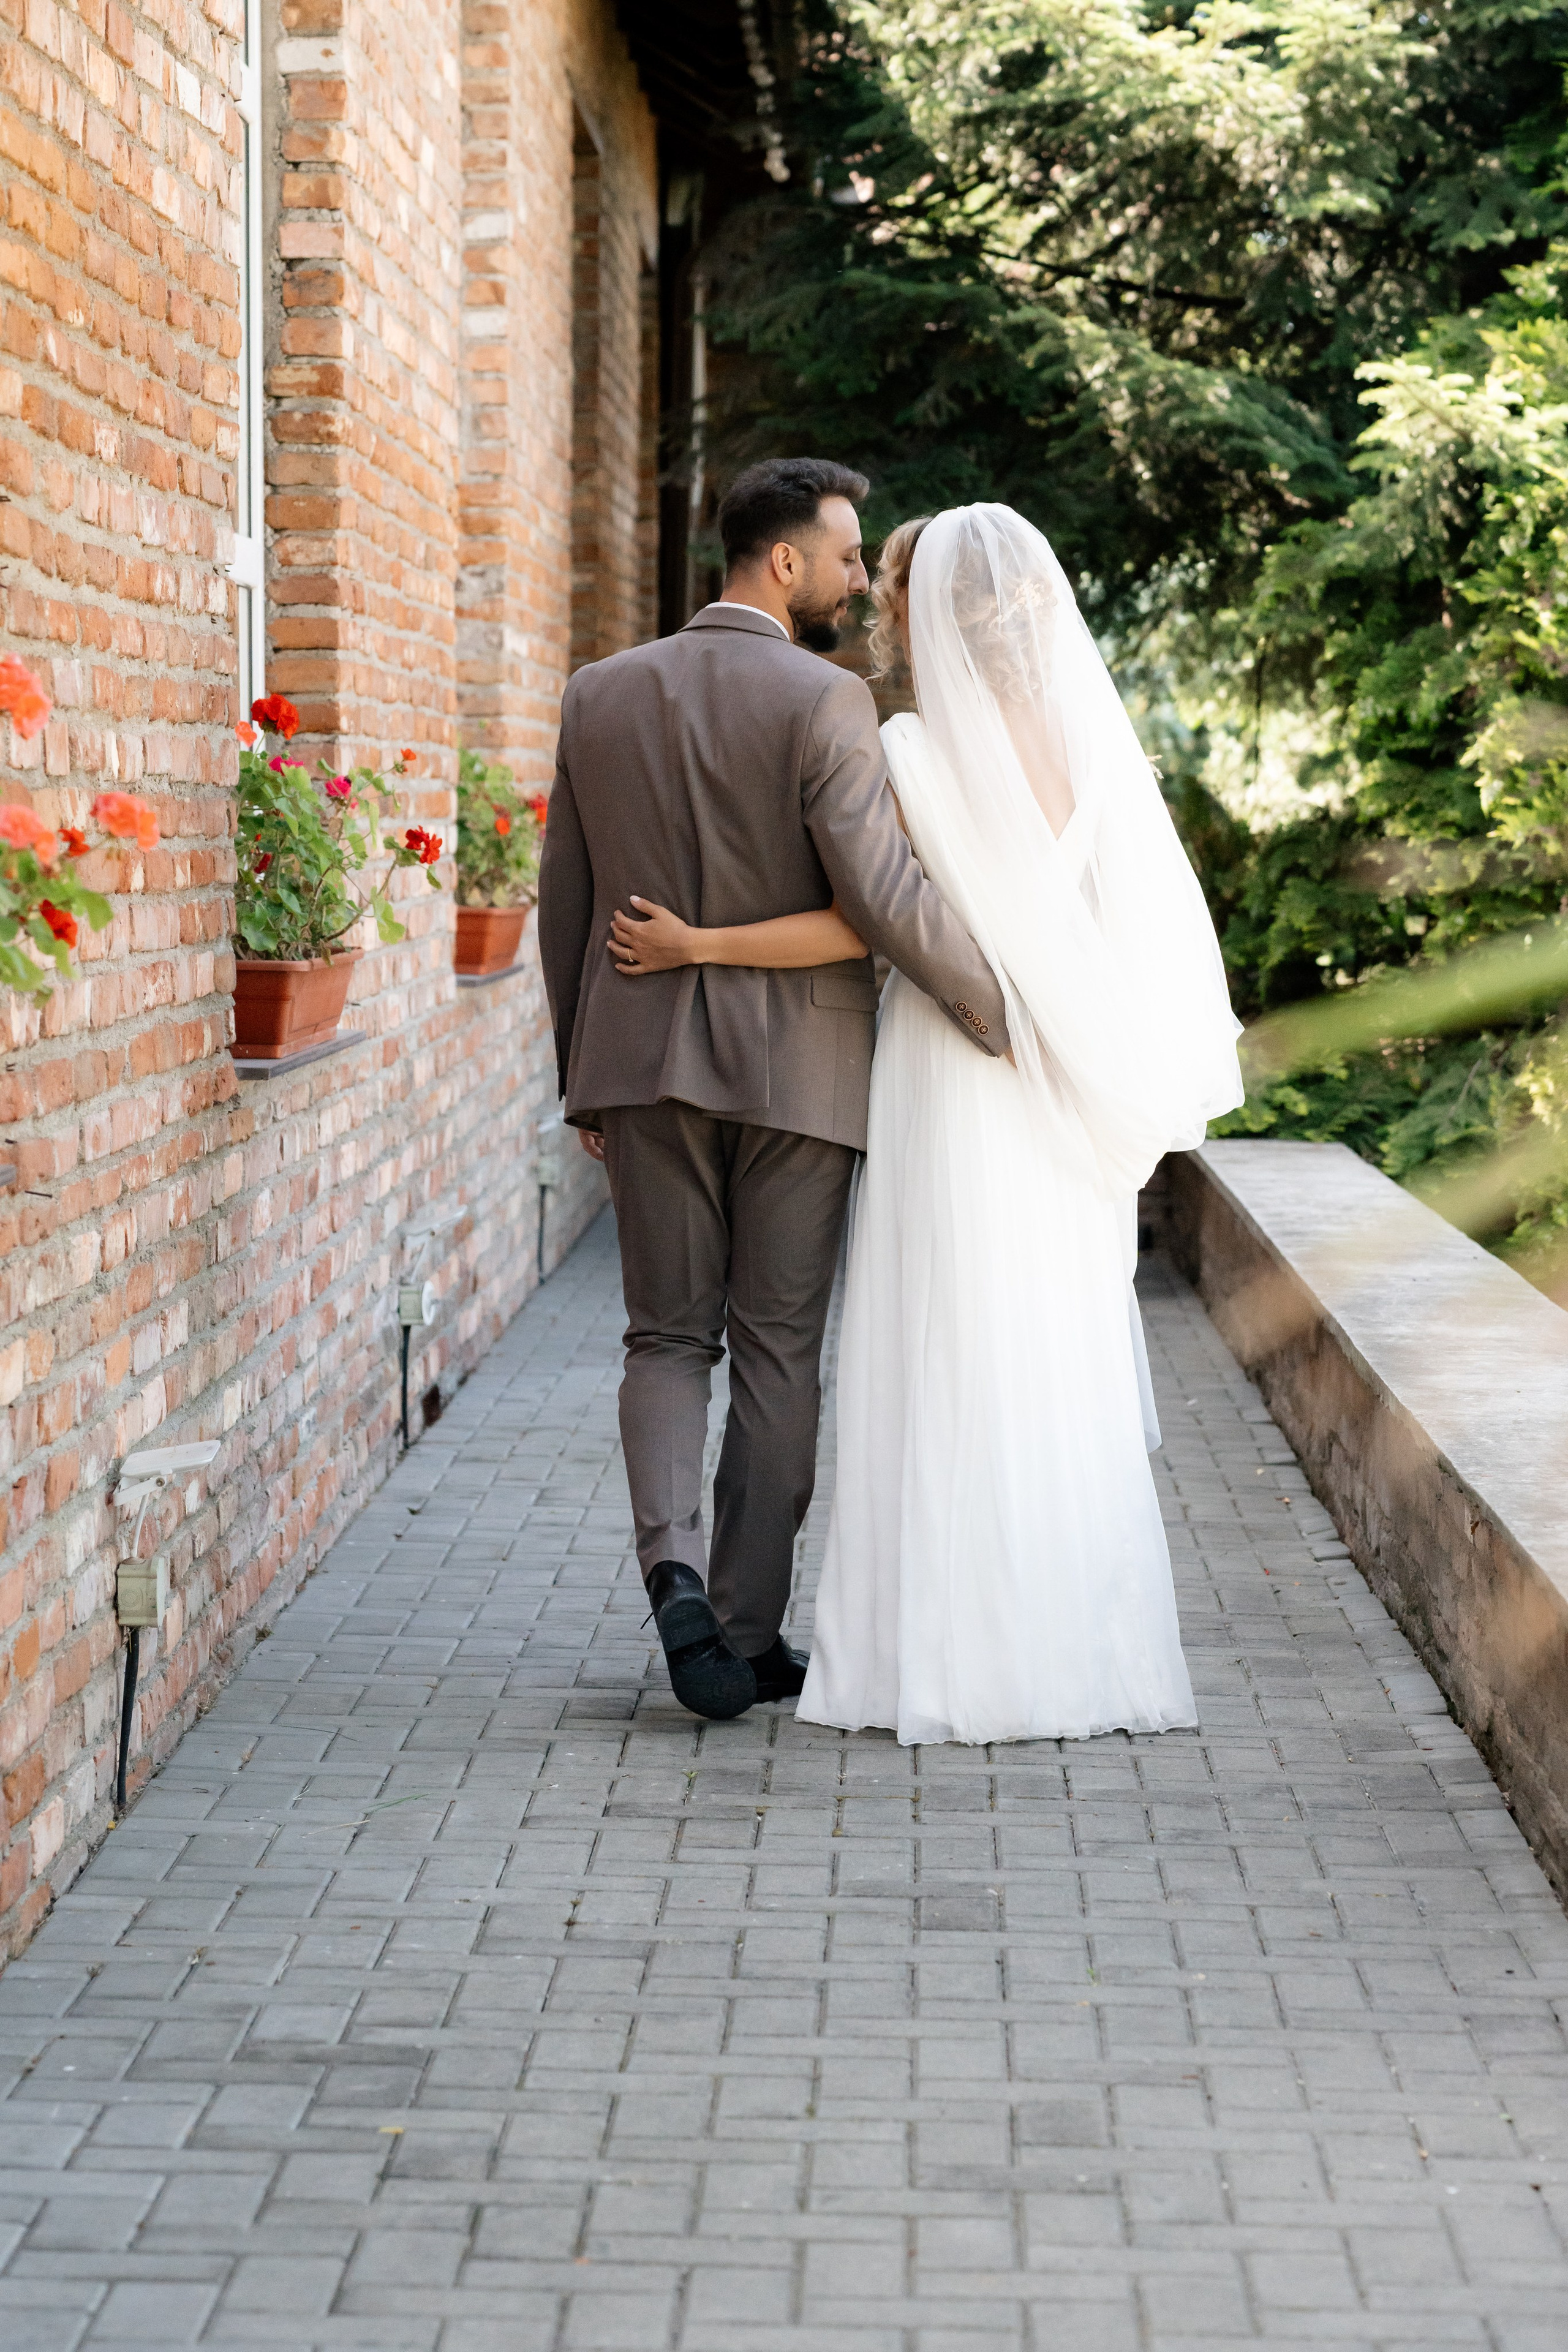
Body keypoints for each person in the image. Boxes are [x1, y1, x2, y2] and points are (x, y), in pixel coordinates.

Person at [612, 503, 1243, 1744]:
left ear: (924, 613)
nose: (870, 596)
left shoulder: (907, 746)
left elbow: (868, 922)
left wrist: (697, 946)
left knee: (937, 1344)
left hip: (948, 1069)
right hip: (1045, 1072)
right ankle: (1068, 1651)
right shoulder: (1086, 744)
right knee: (1046, 1344)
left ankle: (929, 1652)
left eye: (885, 581)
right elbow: (1119, 929)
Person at [536, 461, 1010, 1723]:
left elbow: (565, 904)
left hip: (637, 1062)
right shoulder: (826, 700)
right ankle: (743, 1635)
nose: (860, 580)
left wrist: (578, 1073)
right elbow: (877, 895)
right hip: (802, 1072)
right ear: (781, 562)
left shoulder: (598, 694)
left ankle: (674, 1577)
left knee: (662, 1337)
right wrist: (989, 1003)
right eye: (847, 556)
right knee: (777, 1350)